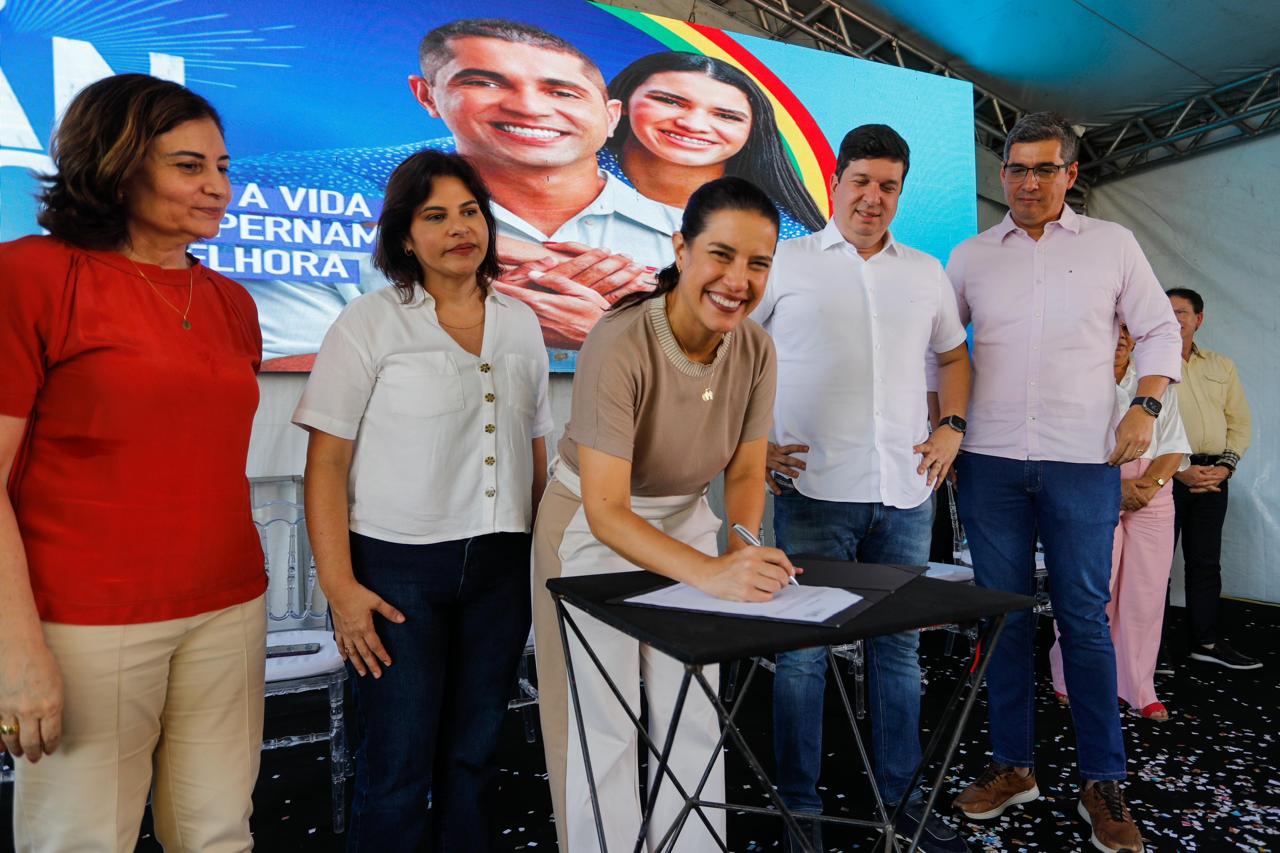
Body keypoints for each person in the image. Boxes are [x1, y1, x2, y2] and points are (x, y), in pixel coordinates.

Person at [0, 74, 266, 852]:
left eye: (223, 166)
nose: (218, 187)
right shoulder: (31, 276)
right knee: (80, 839)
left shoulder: (231, 303)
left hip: (228, 606)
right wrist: (18, 651)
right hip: (86, 621)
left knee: (219, 833)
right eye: (190, 166)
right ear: (115, 163)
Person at [293, 150, 552, 851]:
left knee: (472, 757)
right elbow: (326, 464)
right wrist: (341, 588)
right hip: (397, 572)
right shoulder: (370, 323)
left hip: (501, 567)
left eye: (470, 211)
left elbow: (534, 450)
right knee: (398, 764)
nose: (459, 228)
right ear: (405, 236)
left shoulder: (522, 323)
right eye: (435, 215)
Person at [531, 177, 794, 852]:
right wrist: (712, 575)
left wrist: (741, 547)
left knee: (692, 712)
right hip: (592, 531)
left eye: (758, 263)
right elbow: (608, 509)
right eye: (721, 255)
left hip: (688, 523)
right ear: (681, 247)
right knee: (605, 722)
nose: (738, 279)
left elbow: (743, 469)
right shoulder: (619, 341)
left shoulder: (756, 349)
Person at [946, 112, 1182, 853]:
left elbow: (1159, 329)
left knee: (1085, 615)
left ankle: (1101, 781)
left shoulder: (1113, 245)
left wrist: (1145, 404)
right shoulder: (970, 255)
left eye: (1044, 169)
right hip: (989, 463)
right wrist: (942, 424)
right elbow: (942, 351)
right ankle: (1014, 767)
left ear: (1071, 175)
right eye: (1016, 169)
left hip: (1085, 462)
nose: (1027, 182)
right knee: (1005, 617)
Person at [756, 124, 973, 853]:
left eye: (889, 186)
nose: (873, 198)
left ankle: (901, 800)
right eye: (861, 181)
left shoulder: (926, 270)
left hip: (907, 491)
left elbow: (953, 355)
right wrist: (746, 443)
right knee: (804, 652)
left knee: (899, 653)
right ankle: (799, 811)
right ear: (834, 183)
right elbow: (730, 353)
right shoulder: (785, 262)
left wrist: (953, 426)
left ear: (900, 192)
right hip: (813, 489)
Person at [238, 18, 674, 362]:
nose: (530, 107)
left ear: (612, 115)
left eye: (562, 91)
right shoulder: (330, 224)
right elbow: (284, 367)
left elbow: (729, 378)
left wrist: (608, 335)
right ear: (426, 96)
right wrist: (465, 327)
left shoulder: (689, 237)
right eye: (484, 83)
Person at [1049, 326, 1191, 721]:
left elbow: (1176, 446)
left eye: (1129, 329)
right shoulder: (1075, 381)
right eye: (1115, 327)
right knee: (1092, 592)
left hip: (1151, 492)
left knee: (1145, 597)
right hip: (1093, 488)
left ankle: (1139, 686)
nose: (1122, 337)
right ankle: (1070, 679)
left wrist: (1149, 486)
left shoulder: (1155, 382)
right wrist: (1117, 486)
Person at [603, 51, 826, 236]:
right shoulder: (575, 165)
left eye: (726, 116)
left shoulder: (781, 232)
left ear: (752, 132)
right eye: (670, 101)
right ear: (622, 103)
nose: (693, 124)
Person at [1164, 287, 1258, 669]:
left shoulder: (1221, 365)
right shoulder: (1146, 362)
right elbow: (1140, 424)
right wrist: (1178, 471)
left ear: (1199, 319)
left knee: (1205, 564)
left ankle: (1205, 640)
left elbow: (1240, 423)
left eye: (1182, 312)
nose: (1174, 318)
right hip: (1164, 476)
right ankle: (1152, 648)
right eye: (1166, 311)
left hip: (1214, 476)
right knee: (1154, 567)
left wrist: (1226, 467)